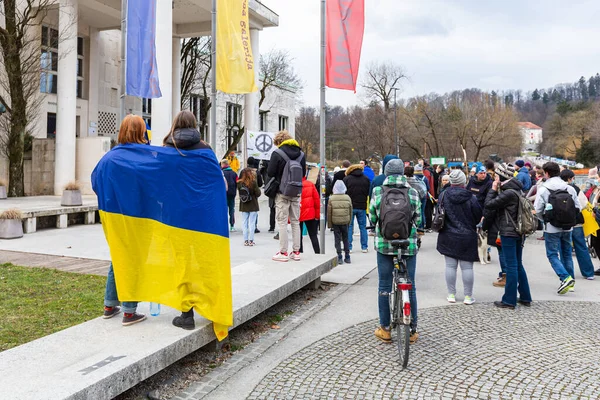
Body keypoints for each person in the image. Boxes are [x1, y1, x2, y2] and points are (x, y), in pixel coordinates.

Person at [163, 110, 215, 330]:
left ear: (175, 124)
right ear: (194, 124)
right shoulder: (206, 149)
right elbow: (216, 183)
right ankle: (212, 307)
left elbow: (159, 181)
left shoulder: (167, 149)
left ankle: (186, 314)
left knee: (182, 263)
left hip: (176, 215)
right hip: (201, 215)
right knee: (205, 261)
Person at [102, 115, 148, 326]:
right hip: (137, 216)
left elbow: (96, 181)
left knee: (118, 256)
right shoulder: (143, 157)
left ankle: (109, 305)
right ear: (141, 132)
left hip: (112, 215)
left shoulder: (109, 158)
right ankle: (129, 310)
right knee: (134, 260)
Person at [370, 159, 421, 344]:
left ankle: (385, 329)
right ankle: (413, 330)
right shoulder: (413, 192)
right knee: (411, 285)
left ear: (386, 172)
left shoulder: (378, 191)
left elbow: (373, 217)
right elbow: (419, 219)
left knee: (384, 286)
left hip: (384, 245)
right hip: (408, 245)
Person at [484, 163, 532, 309]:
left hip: (509, 232)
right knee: (518, 264)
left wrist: (492, 190)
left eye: (497, 176)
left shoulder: (508, 193)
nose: (495, 178)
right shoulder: (517, 190)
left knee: (511, 266)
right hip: (518, 231)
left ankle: (509, 300)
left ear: (502, 176)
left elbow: (489, 204)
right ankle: (525, 297)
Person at [534, 162, 581, 294]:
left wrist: (545, 220)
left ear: (547, 173)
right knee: (567, 253)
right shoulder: (569, 188)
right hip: (568, 227)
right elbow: (578, 207)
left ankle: (565, 278)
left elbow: (538, 209)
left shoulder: (544, 189)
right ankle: (570, 282)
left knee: (552, 254)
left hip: (551, 227)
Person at [436, 170, 482, 305]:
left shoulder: (443, 195)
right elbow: (478, 215)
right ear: (464, 181)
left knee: (450, 266)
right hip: (467, 235)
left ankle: (451, 294)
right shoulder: (471, 197)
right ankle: (468, 296)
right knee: (467, 268)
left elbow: (439, 212)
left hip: (448, 234)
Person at [267, 130, 306, 261]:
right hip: (296, 192)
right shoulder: (301, 154)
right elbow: (303, 173)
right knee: (295, 221)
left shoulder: (277, 153)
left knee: (282, 222)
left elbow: (271, 172)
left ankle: (283, 253)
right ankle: (296, 252)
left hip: (281, 192)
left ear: (278, 142)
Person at [560, 169, 595, 280]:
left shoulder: (556, 188)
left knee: (564, 249)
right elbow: (584, 203)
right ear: (570, 178)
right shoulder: (575, 189)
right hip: (576, 222)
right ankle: (588, 272)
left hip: (562, 223)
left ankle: (565, 273)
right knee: (581, 247)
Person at [344, 163, 371, 253]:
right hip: (362, 205)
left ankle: (349, 247)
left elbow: (344, 192)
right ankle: (364, 247)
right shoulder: (366, 179)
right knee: (363, 227)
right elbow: (368, 192)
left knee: (349, 226)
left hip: (350, 206)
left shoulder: (347, 179)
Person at [328, 180, 353, 264]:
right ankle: (347, 256)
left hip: (335, 222)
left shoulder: (331, 198)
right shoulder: (347, 197)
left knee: (337, 239)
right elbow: (350, 211)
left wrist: (330, 224)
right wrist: (349, 221)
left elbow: (329, 213)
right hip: (345, 221)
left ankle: (339, 256)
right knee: (346, 238)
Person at [237, 168, 261, 247]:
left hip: (244, 205)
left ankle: (245, 240)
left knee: (244, 223)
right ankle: (251, 240)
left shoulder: (239, 183)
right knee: (252, 223)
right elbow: (258, 193)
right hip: (253, 205)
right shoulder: (253, 182)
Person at [299, 176, 321, 254]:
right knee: (313, 235)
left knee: (298, 235)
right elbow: (316, 200)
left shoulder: (293, 185)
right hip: (310, 213)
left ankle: (299, 252)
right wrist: (317, 216)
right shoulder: (310, 184)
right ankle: (317, 252)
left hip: (298, 214)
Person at [221, 159, 238, 232]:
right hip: (232, 194)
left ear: (223, 165)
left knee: (224, 210)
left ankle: (223, 226)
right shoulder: (234, 173)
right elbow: (237, 183)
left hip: (223, 195)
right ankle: (232, 225)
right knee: (231, 210)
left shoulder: (221, 173)